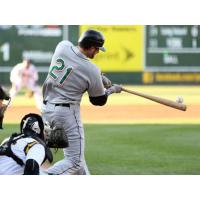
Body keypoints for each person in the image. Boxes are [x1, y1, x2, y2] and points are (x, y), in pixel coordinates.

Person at [41, 29, 122, 175]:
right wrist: (113, 90)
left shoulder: (62, 46)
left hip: (46, 109)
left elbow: (73, 66)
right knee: (75, 161)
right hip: (66, 113)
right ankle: (44, 176)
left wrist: (99, 76)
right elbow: (98, 100)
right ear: (91, 47)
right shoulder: (91, 69)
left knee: (78, 158)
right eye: (97, 49)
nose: (97, 52)